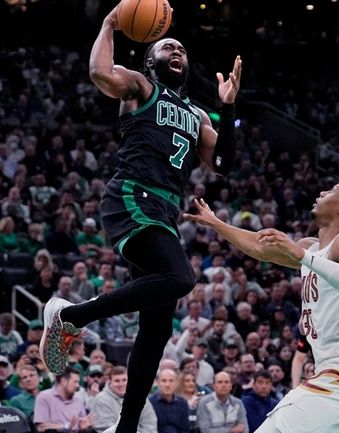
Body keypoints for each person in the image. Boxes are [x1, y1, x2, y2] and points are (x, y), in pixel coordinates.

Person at [39, 3, 242, 433]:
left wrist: (227, 109)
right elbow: (98, 72)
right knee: (183, 277)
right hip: (132, 195)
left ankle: (126, 426)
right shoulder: (139, 87)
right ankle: (71, 315)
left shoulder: (199, 115)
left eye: (182, 50)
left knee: (157, 327)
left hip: (164, 209)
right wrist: (111, 23)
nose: (178, 52)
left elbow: (222, 162)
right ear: (151, 60)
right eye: (169, 47)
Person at [184, 179, 339, 433]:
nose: (323, 192)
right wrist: (216, 223)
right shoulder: (314, 248)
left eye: (333, 191)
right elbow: (260, 247)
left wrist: (301, 255)